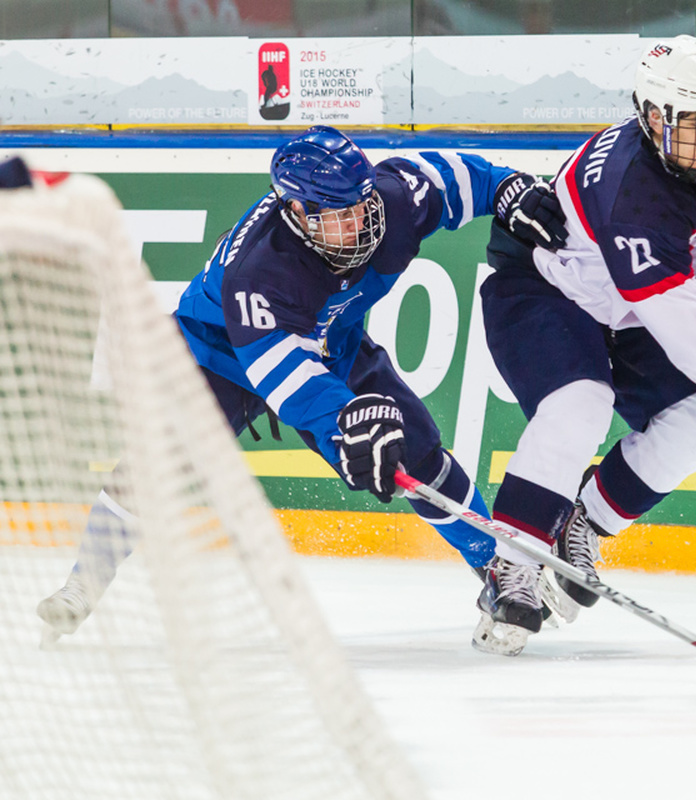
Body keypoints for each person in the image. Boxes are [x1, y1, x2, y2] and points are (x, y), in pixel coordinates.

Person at [36, 125, 568, 643]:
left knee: (415, 450)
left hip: (330, 336)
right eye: (340, 216)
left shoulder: (389, 203)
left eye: (361, 205)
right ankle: (82, 584)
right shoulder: (260, 276)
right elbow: (292, 385)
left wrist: (505, 187)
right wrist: (347, 425)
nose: (361, 224)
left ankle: (497, 568)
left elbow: (454, 177)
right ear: (298, 213)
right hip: (219, 352)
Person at [473, 35, 696, 656]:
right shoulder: (629, 189)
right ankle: (515, 563)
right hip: (544, 287)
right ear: (651, 116)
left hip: (625, 296)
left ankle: (580, 521)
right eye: (693, 124)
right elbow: (666, 307)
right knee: (579, 405)